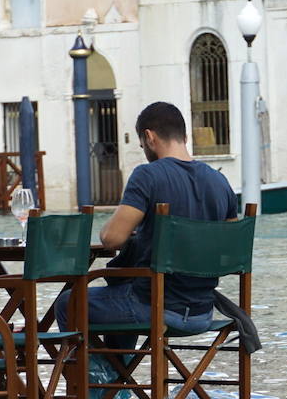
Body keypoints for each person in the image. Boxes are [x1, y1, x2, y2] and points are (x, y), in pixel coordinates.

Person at [57, 101, 240, 339]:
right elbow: (230, 253)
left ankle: (101, 373)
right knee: (123, 288)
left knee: (67, 303)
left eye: (142, 145)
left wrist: (123, 230)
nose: (144, 149)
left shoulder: (148, 175)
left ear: (149, 137)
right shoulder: (220, 182)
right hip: (202, 311)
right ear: (184, 136)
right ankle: (116, 373)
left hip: (155, 308)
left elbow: (112, 240)